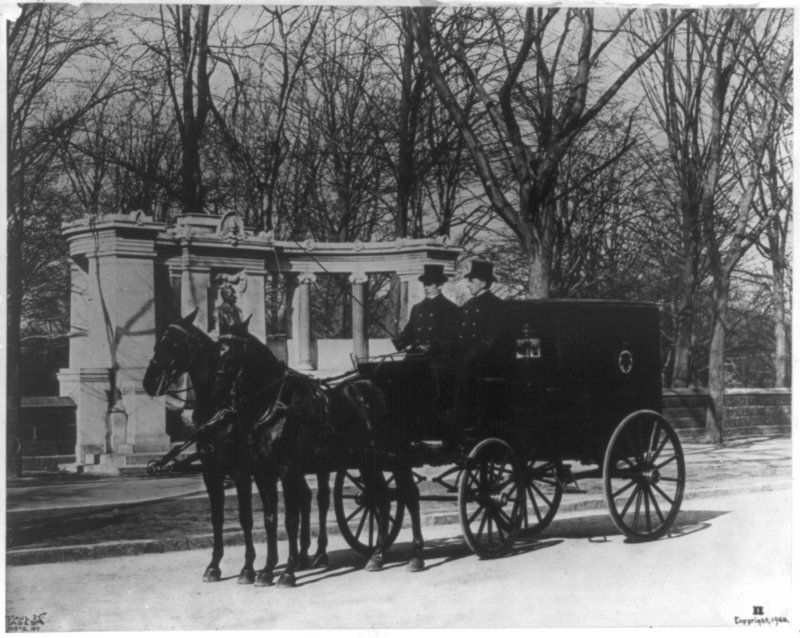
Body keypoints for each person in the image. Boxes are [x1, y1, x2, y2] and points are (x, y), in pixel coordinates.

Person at [453, 259, 505, 436]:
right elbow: (458, 334)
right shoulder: (468, 305)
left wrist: (472, 355)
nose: (468, 284)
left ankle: (471, 429)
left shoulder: (496, 305)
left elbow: (493, 337)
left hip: (483, 365)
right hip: (464, 362)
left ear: (483, 282)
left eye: (472, 280)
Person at [392, 264, 458, 357]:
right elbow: (409, 332)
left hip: (437, 357)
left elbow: (451, 337)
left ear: (440, 286)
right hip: (416, 354)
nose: (426, 287)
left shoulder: (450, 308)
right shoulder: (417, 308)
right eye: (425, 284)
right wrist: (396, 342)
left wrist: (431, 347)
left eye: (430, 284)